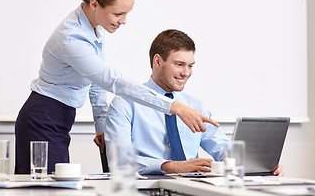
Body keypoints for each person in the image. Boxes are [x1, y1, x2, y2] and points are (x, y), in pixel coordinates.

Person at [14, 0, 219, 175]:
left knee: (57, 185)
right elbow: (113, 81)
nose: (123, 21)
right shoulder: (72, 39)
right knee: (46, 187)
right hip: (44, 116)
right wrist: (175, 107)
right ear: (94, 4)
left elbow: (94, 82)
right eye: (118, 13)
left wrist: (101, 125)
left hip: (59, 116)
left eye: (126, 13)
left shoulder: (92, 28)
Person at [105, 29, 284, 176]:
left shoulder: (195, 106)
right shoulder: (125, 103)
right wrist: (170, 166)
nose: (186, 73)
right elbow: (119, 162)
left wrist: (258, 164)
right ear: (158, 61)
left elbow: (220, 146)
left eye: (190, 66)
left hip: (193, 187)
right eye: (179, 64)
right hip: (146, 188)